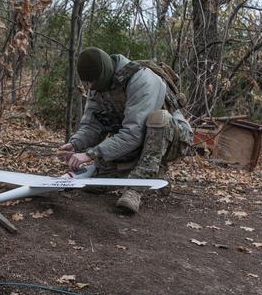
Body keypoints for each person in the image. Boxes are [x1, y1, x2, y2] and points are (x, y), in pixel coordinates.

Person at [58, 47, 193, 214]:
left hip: (173, 138)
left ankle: (136, 188)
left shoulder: (141, 79)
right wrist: (76, 144)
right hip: (136, 140)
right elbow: (92, 125)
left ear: (104, 74)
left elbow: (133, 133)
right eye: (88, 82)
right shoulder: (97, 86)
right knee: (95, 184)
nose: (90, 86)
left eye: (93, 81)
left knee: (158, 119)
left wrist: (91, 154)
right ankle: (157, 174)